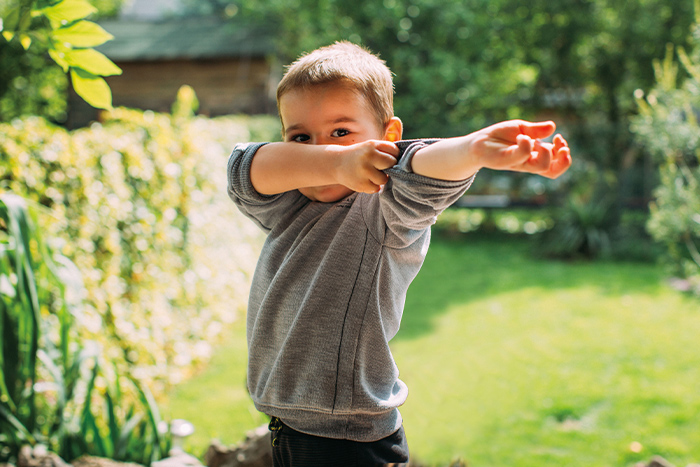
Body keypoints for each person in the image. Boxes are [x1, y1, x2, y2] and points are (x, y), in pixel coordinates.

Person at [227, 41, 571, 466]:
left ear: (388, 136)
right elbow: (244, 168)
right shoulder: (290, 204)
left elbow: (422, 169)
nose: (321, 149)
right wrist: (336, 161)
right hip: (291, 428)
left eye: (340, 132)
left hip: (348, 441)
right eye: (301, 137)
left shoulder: (387, 210)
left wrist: (471, 150)